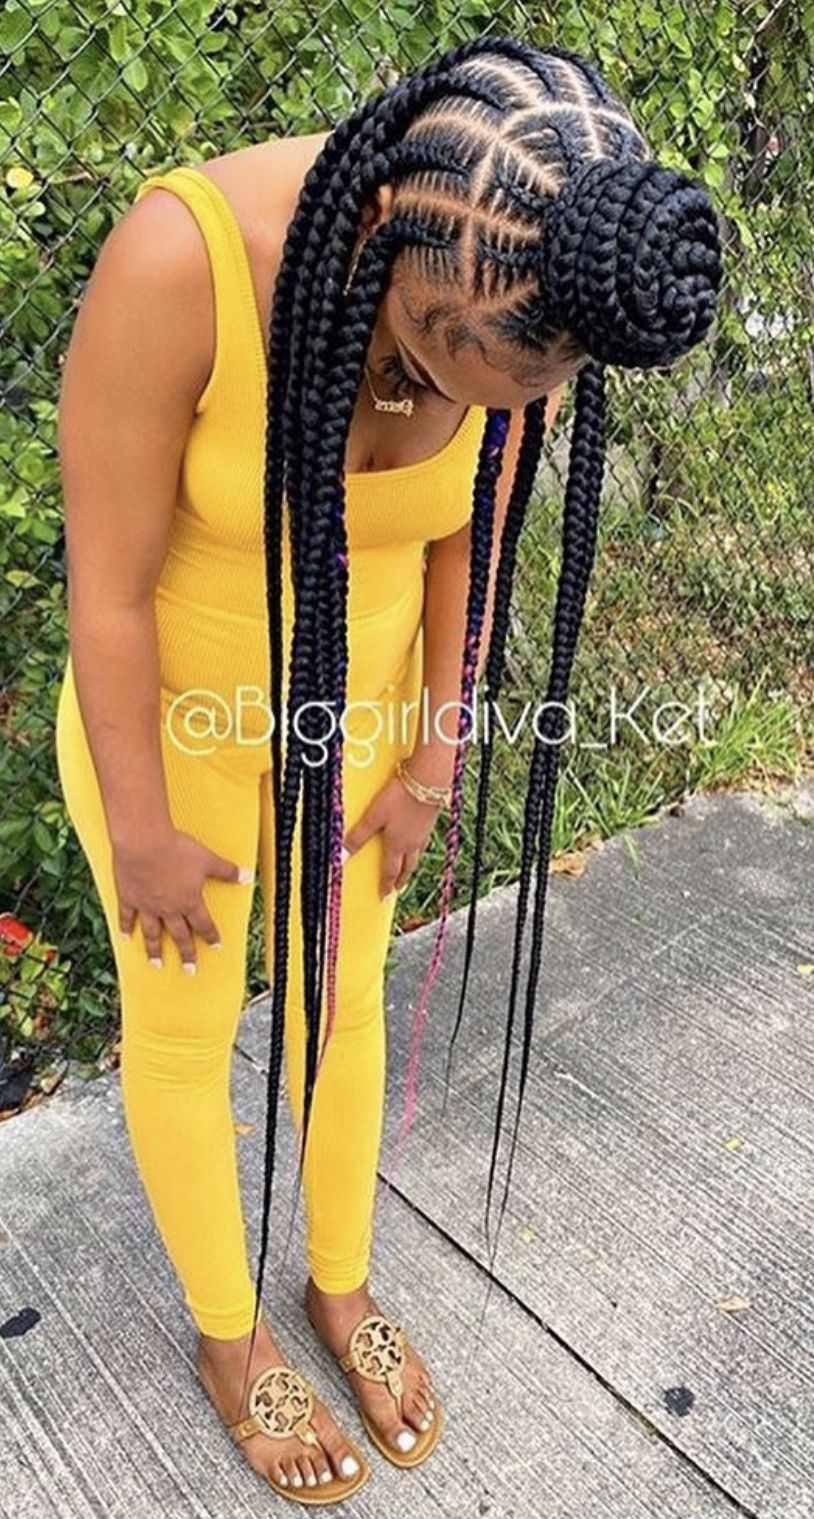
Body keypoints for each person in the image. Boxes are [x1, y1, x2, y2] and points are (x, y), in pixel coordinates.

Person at [54, 33, 721, 1508]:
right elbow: (102, 591)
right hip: (173, 738)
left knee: (344, 1004)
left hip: (356, 743)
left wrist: (430, 754)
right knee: (184, 1036)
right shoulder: (185, 261)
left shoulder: (531, 277)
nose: (452, 405)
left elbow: (467, 541)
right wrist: (144, 828)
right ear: (398, 260)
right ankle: (228, 1336)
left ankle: (337, 1282)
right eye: (428, 365)